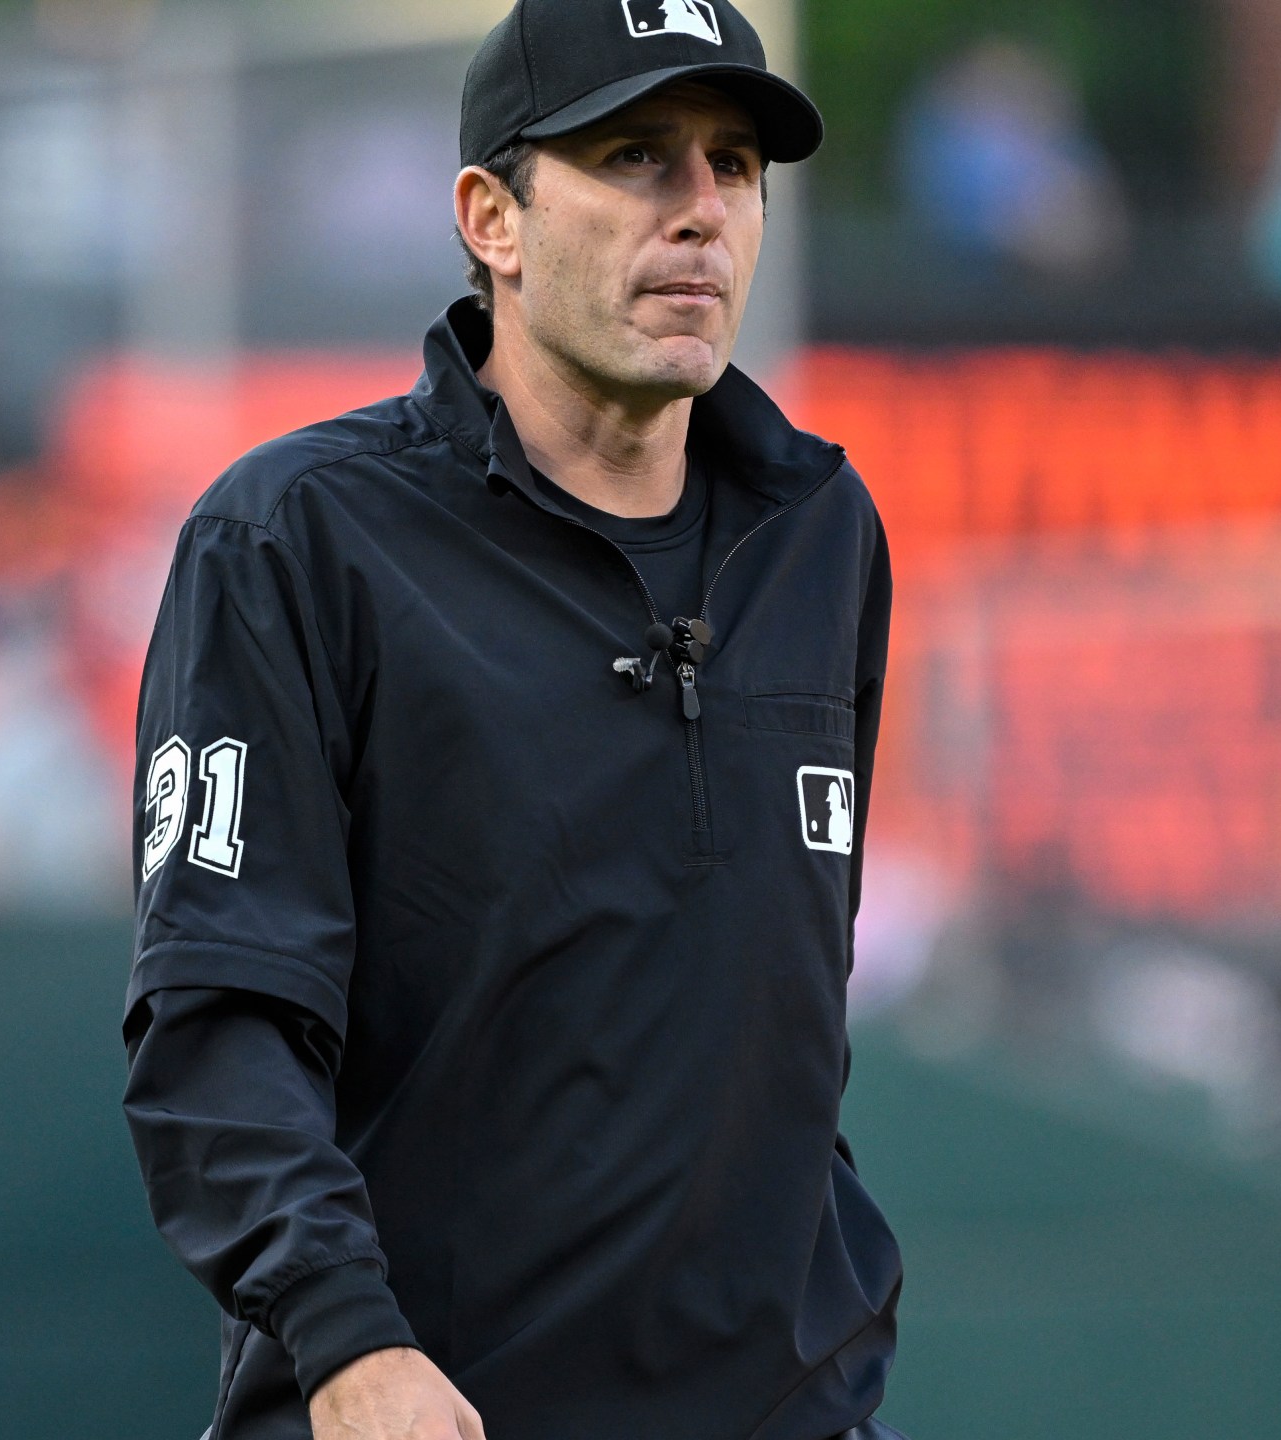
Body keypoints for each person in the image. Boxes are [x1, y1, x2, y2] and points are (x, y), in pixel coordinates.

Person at [119, 1, 903, 1437]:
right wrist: (348, 1341)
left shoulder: (823, 534)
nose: (701, 213)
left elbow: (788, 1021)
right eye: (636, 157)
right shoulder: (293, 537)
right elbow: (216, 1026)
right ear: (495, 217)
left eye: (734, 166)